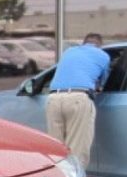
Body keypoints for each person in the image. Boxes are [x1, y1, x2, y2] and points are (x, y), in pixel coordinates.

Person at [45, 33, 110, 169]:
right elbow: (102, 83)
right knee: (77, 150)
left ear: (83, 43)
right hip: (78, 99)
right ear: (99, 45)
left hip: (53, 99)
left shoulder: (69, 52)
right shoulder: (103, 56)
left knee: (56, 149)